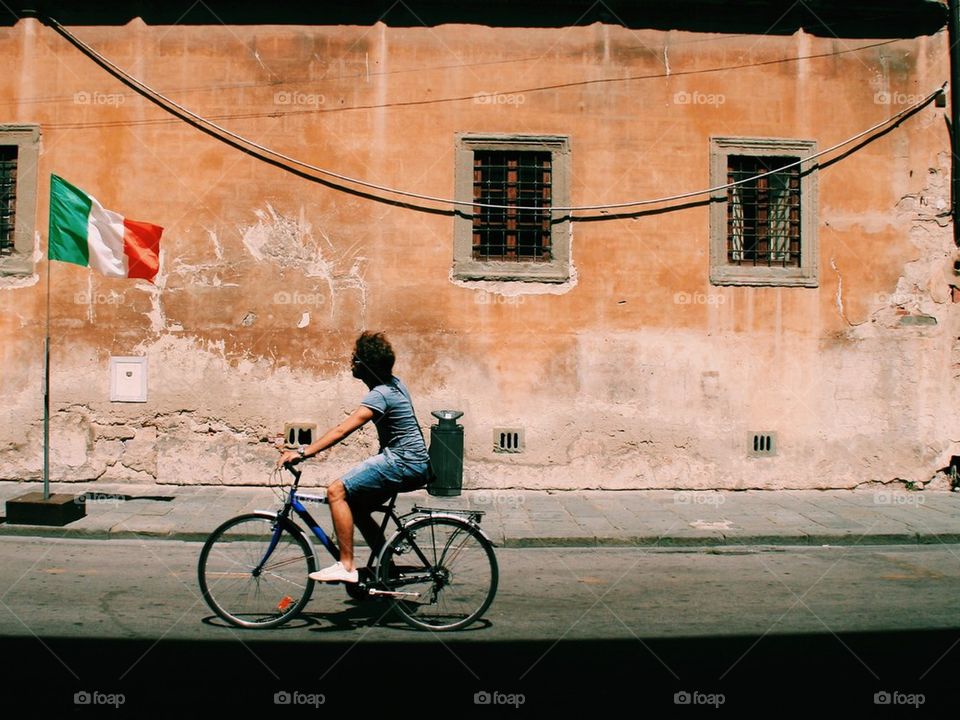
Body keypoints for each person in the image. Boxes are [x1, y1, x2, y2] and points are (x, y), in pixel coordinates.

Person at [276, 331, 430, 583]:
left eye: (356, 359)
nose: (352, 363)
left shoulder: (380, 394)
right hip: (411, 461)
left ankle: (346, 566)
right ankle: (386, 566)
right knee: (356, 506)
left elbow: (342, 430)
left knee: (336, 491)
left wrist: (302, 453)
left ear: (366, 366)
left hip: (402, 461)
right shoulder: (394, 383)